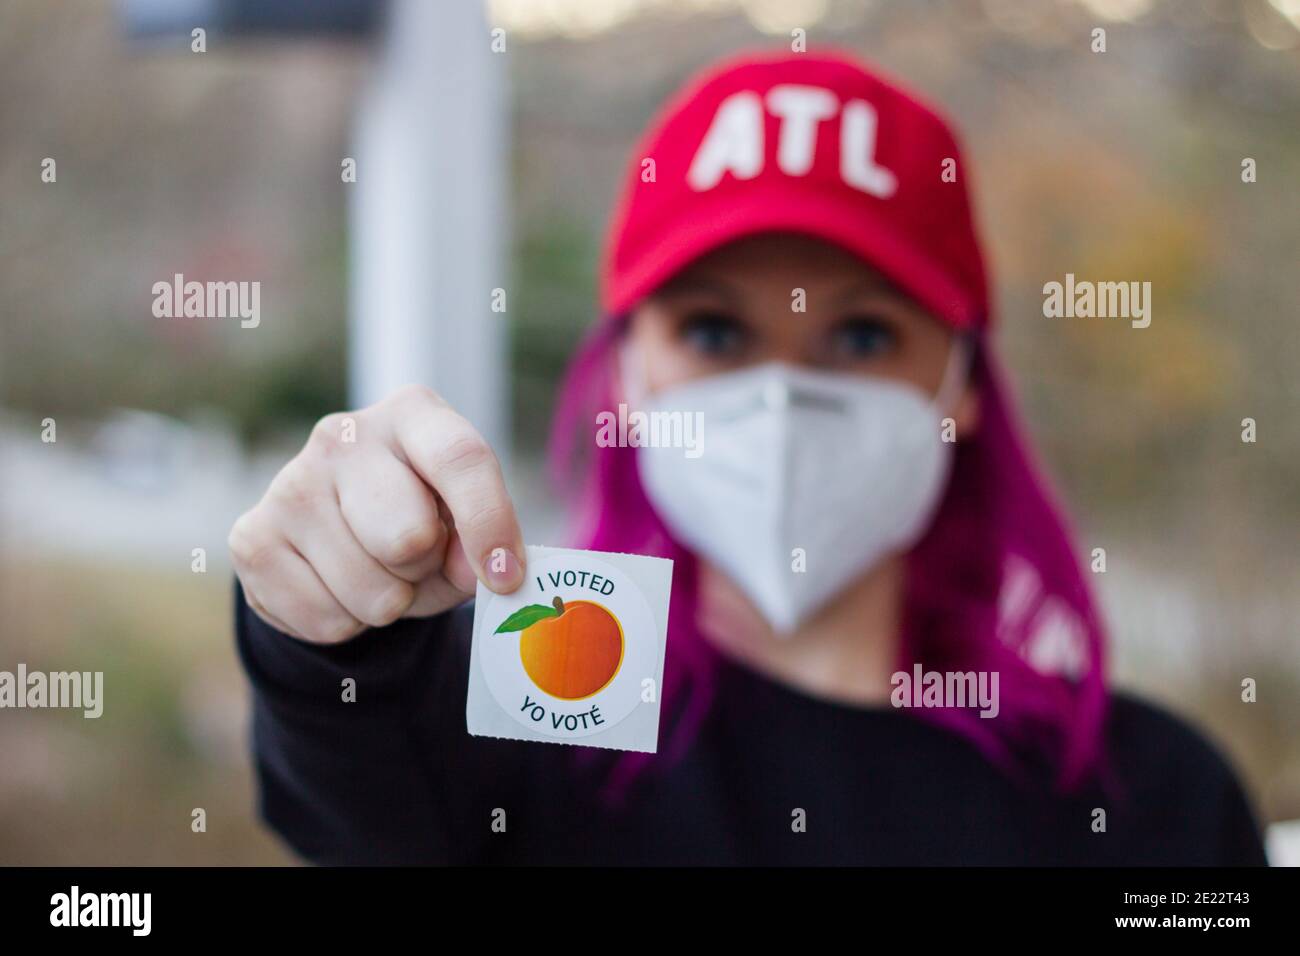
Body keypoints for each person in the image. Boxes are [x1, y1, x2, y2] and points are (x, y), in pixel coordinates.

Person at [229, 50, 1267, 865]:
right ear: (625, 375)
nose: (780, 394)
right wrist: (320, 630)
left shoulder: (1150, 800)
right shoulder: (517, 724)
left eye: (861, 337)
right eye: (716, 332)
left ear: (959, 390)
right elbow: (346, 793)